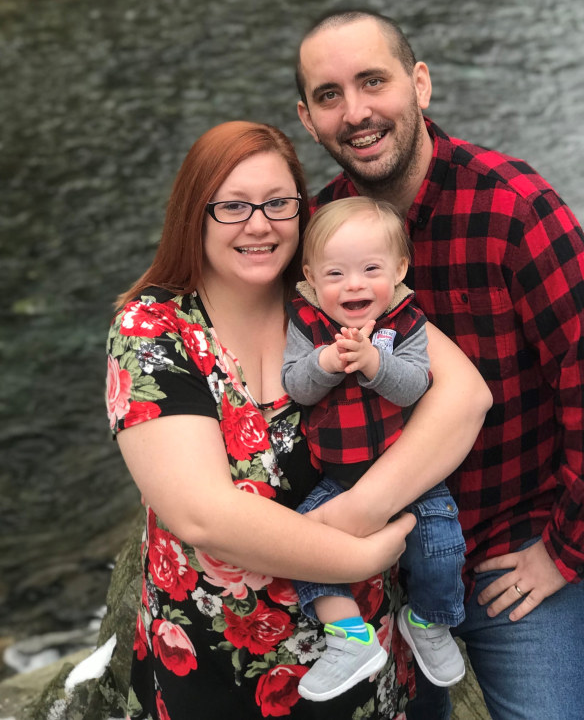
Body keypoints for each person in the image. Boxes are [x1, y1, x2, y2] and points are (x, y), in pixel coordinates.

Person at [294, 11, 584, 720]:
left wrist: (563, 549)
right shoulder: (319, 233)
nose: (355, 112)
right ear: (307, 118)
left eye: (373, 82)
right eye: (329, 95)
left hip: (505, 543)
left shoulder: (514, 208)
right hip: (381, 562)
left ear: (419, 84)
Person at [105, 120, 492, 720]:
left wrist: (362, 510)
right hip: (226, 665)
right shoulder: (155, 329)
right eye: (232, 206)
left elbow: (464, 396)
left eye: (278, 203)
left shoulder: (325, 290)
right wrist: (357, 556)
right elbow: (202, 514)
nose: (258, 225)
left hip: (367, 654)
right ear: (194, 213)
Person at [281, 197, 466, 702]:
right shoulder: (307, 324)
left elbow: (413, 387)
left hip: (409, 473)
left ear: (399, 269)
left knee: (442, 544)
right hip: (339, 478)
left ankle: (429, 620)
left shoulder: (407, 323)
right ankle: (350, 636)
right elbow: (296, 385)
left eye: (371, 269)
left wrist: (371, 362)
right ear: (312, 278)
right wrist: (325, 361)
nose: (354, 284)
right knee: (297, 546)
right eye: (336, 273)